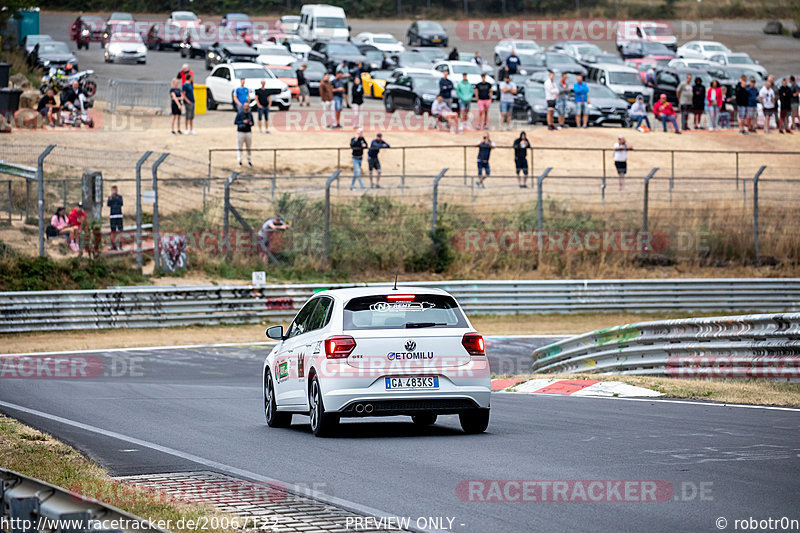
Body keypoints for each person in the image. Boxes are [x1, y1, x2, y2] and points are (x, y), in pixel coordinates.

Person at [234, 101, 254, 167]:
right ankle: (240, 161)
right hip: (240, 132)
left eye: (248, 106)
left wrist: (250, 123)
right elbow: (235, 122)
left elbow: (253, 123)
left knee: (249, 147)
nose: (246, 107)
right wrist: (242, 122)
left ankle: (249, 161)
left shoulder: (250, 114)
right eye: (245, 106)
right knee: (240, 147)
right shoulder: (240, 114)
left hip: (248, 132)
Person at [107, 185, 123, 251]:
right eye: (113, 190)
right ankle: (113, 246)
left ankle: (120, 245)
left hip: (119, 215)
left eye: (115, 190)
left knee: (120, 231)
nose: (114, 192)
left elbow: (121, 203)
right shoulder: (110, 197)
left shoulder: (120, 197)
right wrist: (111, 198)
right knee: (113, 232)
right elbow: (108, 204)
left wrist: (117, 198)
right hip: (112, 216)